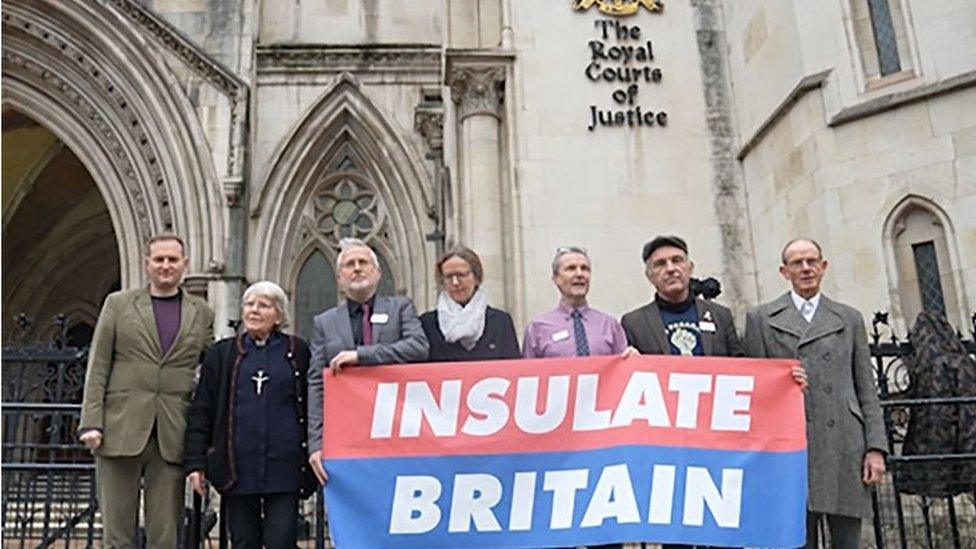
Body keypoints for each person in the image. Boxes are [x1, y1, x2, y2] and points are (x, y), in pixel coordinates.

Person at [744, 238, 887, 549]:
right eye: (797, 263)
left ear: (823, 267)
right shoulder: (761, 319)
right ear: (784, 271)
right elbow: (755, 387)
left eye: (811, 261)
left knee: (848, 541)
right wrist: (782, 381)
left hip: (845, 444)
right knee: (796, 540)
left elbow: (866, 385)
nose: (805, 268)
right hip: (791, 448)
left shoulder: (848, 318)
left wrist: (876, 448)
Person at [78, 233, 215, 548]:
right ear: (147, 264)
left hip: (172, 431)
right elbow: (98, 364)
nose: (165, 266)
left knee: (164, 534)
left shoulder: (202, 312)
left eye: (172, 260)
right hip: (118, 428)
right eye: (159, 259)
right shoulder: (119, 304)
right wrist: (91, 421)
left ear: (185, 265)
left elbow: (209, 372)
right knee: (117, 534)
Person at [184, 281, 317, 549]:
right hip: (237, 468)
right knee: (244, 542)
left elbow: (311, 403)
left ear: (279, 315)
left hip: (284, 467)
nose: (254, 310)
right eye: (249, 304)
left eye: (264, 305)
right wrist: (196, 463)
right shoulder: (222, 354)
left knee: (280, 541)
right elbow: (202, 411)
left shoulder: (298, 351)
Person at [306, 237, 429, 485]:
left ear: (377, 272)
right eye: (349, 264)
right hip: (348, 431)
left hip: (396, 426)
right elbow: (317, 383)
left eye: (363, 262)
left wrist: (361, 356)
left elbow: (418, 347)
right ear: (339, 278)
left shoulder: (400, 308)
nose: (357, 268)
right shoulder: (325, 322)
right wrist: (316, 444)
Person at [621, 235, 743, 358]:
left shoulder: (720, 316)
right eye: (660, 264)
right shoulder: (634, 323)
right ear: (649, 276)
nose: (670, 269)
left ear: (690, 268)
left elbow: (740, 366)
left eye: (676, 260)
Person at [523, 246, 633, 359]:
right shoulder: (537, 328)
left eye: (585, 268)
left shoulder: (609, 325)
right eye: (571, 268)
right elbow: (527, 372)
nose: (579, 274)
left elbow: (624, 369)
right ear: (556, 278)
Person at [420, 245, 521, 361]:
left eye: (461, 275)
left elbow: (513, 368)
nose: (455, 282)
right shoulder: (427, 324)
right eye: (448, 277)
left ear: (477, 277)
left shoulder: (500, 322)